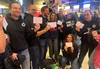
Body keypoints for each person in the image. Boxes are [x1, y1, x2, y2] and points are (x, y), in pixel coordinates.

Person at [3, 2, 39, 69]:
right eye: (15, 8)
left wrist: (34, 31)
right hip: (13, 53)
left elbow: (28, 37)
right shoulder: (5, 22)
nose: (17, 10)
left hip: (24, 51)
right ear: (10, 10)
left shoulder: (24, 22)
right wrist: (11, 53)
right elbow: (4, 40)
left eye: (19, 9)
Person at [24, 5, 51, 69]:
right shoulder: (29, 19)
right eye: (33, 10)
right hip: (33, 43)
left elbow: (35, 31)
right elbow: (35, 34)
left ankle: (42, 66)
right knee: (36, 60)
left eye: (35, 10)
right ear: (28, 10)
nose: (35, 11)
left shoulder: (33, 18)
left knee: (37, 58)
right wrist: (45, 29)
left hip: (36, 41)